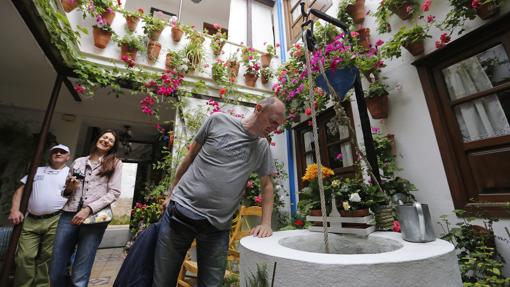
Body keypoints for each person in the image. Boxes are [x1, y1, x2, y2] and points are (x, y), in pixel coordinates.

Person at [153, 97, 286, 287]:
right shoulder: (217, 120)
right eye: (273, 121)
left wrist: (266, 223)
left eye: (279, 125)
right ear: (258, 108)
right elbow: (189, 158)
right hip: (180, 213)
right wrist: (170, 194)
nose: (275, 128)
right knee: (162, 282)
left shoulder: (262, 146)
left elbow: (267, 186)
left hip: (217, 228)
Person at [50, 130, 123, 287]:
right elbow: (65, 192)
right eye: (104, 137)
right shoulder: (78, 161)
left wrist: (88, 209)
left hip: (94, 218)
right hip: (69, 215)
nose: (106, 140)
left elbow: (114, 192)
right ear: (97, 139)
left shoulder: (115, 163)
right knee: (57, 265)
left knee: (82, 268)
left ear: (113, 146)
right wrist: (69, 187)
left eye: (110, 140)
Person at [9, 144, 71, 287]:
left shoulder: (71, 173)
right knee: (24, 256)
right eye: (55, 151)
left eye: (63, 152)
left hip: (56, 220)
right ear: (50, 155)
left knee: (47, 257)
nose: (59, 153)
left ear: (68, 157)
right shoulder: (37, 171)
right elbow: (20, 191)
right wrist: (14, 209)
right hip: (31, 219)